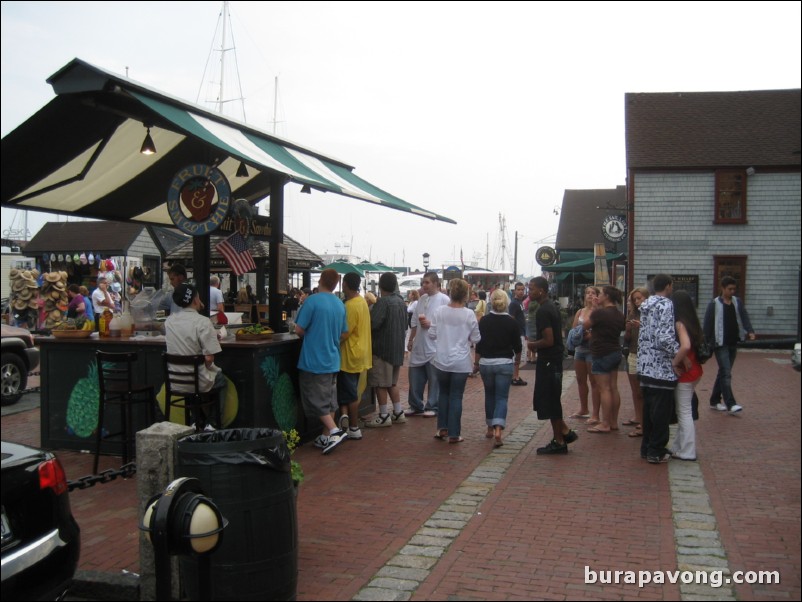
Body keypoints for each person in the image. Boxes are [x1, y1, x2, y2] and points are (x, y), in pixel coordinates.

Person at [294, 268, 349, 454]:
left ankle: (334, 431)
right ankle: (326, 436)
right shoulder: (340, 304)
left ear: (320, 281)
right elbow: (344, 332)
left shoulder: (312, 301)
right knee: (330, 401)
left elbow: (298, 330)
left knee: (315, 399)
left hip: (314, 359)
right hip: (333, 358)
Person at [164, 282, 226, 431]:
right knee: (220, 378)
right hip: (197, 381)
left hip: (174, 381)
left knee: (193, 381)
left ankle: (195, 420)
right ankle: (212, 424)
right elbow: (209, 359)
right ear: (195, 300)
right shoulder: (203, 322)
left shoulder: (169, 321)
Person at [528, 277, 578, 454]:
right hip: (554, 358)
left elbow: (548, 340)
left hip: (549, 359)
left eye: (532, 288)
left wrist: (533, 344)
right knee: (550, 397)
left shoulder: (543, 311)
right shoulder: (552, 307)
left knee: (550, 399)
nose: (529, 291)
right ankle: (564, 431)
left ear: (541, 290)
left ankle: (559, 440)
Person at [428, 278, 480, 443]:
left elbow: (432, 334)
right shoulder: (469, 314)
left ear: (449, 292)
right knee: (456, 396)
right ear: (465, 294)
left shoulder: (440, 311)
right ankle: (454, 433)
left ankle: (442, 428)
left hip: (441, 359)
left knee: (443, 394)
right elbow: (476, 338)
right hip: (461, 361)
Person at [637, 274, 679, 464]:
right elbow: (665, 337)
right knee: (661, 412)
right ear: (668, 286)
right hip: (661, 367)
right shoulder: (666, 304)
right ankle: (656, 449)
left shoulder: (646, 305)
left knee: (648, 411)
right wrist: (679, 354)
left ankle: (646, 447)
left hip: (645, 365)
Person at [703, 276, 755, 415]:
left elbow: (744, 317)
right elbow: (707, 324)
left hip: (733, 341)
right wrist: (706, 342)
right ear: (723, 288)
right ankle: (730, 403)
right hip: (720, 343)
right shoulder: (714, 304)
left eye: (734, 289)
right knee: (726, 373)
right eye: (729, 289)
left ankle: (714, 400)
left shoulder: (737, 302)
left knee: (723, 372)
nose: (732, 292)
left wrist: (749, 331)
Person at [475, 288, 521, 447]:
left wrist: (476, 363)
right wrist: (517, 366)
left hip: (486, 363)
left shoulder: (485, 321)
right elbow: (518, 346)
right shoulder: (512, 322)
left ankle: (489, 427)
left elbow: (478, 345)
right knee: (501, 397)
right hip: (504, 362)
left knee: (489, 395)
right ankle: (498, 429)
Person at [364, 272, 408, 428]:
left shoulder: (382, 303)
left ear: (381, 286)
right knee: (392, 383)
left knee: (380, 384)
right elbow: (405, 326)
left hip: (382, 349)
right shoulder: (402, 303)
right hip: (397, 349)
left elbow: (373, 324)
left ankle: (383, 415)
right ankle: (398, 412)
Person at [405, 271, 450, 417]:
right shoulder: (422, 299)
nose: (424, 285)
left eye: (427, 282)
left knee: (434, 378)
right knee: (415, 376)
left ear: (436, 283)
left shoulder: (444, 299)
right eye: (423, 282)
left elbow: (449, 322)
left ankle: (433, 405)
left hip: (435, 345)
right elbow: (414, 322)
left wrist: (432, 324)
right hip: (420, 343)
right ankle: (415, 404)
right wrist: (411, 339)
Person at [584, 286, 626, 434]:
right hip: (615, 351)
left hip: (601, 352)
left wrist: (595, 309)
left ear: (607, 296)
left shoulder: (600, 313)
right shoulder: (620, 314)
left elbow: (585, 325)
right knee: (613, 387)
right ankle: (614, 421)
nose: (598, 296)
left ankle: (605, 422)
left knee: (604, 389)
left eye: (600, 294)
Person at [337, 272, 372, 441]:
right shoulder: (362, 302)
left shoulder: (350, 305)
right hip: (362, 351)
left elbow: (344, 333)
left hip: (350, 354)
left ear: (345, 285)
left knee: (350, 393)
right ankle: (344, 421)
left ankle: (354, 426)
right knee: (347, 391)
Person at [671, 290, 704, 461]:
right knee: (685, 410)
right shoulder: (693, 322)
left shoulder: (679, 324)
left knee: (684, 412)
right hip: (695, 371)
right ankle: (679, 446)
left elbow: (685, 346)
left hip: (685, 373)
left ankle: (688, 450)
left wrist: (675, 361)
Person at [568, 286, 600, 421]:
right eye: (587, 293)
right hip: (580, 349)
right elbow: (574, 329)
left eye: (593, 293)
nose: (590, 295)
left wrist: (590, 335)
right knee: (581, 380)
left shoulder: (598, 312)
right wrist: (580, 335)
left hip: (592, 350)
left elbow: (601, 329)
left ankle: (595, 413)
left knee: (594, 382)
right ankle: (583, 408)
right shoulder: (580, 311)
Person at [623, 286, 649, 437]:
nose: (638, 302)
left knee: (643, 390)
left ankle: (644, 421)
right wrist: (627, 329)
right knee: (635, 390)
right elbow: (627, 338)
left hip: (645, 354)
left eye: (640, 298)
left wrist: (642, 326)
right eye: (635, 299)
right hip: (633, 351)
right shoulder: (632, 313)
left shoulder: (650, 313)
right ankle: (638, 416)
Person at [508, 282, 527, 386]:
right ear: (515, 290)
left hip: (522, 332)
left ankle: (516, 375)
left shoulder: (521, 303)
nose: (520, 292)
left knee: (519, 357)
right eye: (519, 290)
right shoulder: (514, 304)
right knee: (517, 356)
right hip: (518, 333)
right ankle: (514, 376)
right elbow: (512, 318)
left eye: (522, 290)